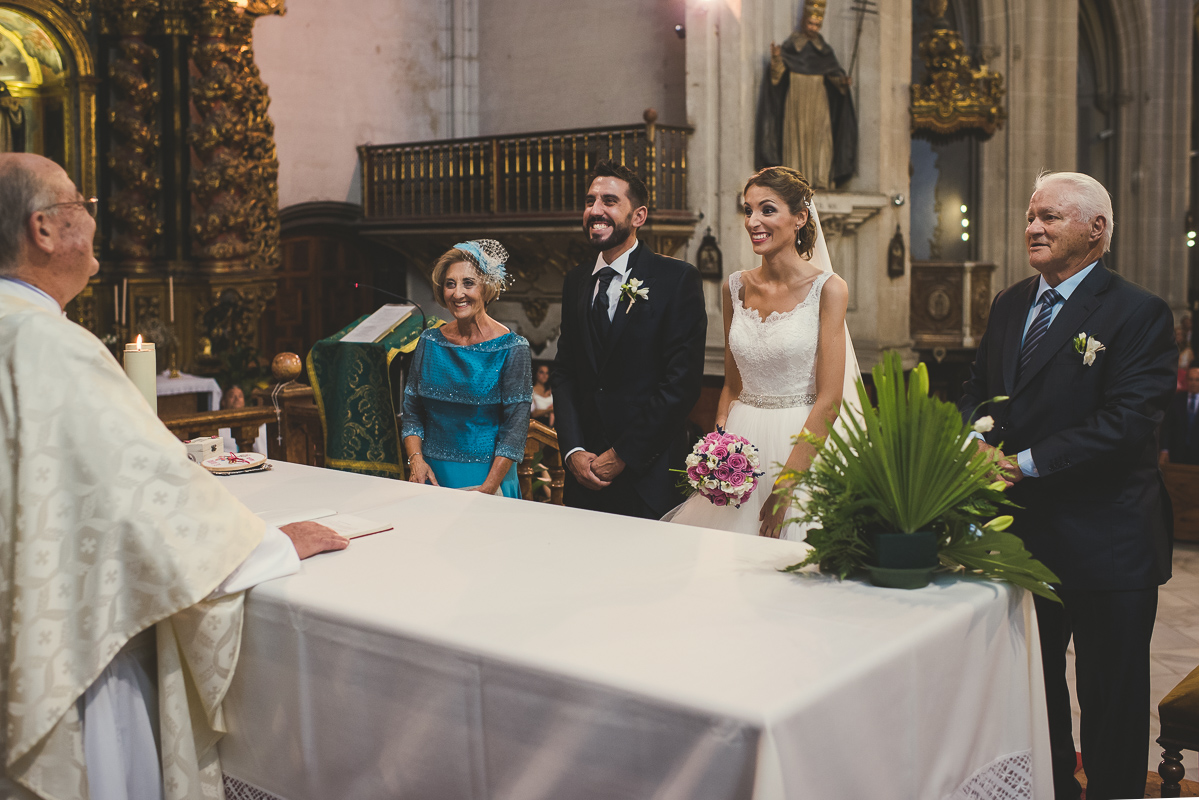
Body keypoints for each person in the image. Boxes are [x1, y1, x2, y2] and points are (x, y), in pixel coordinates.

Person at [0, 153, 349, 800]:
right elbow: (141, 503)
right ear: (43, 229)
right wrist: (266, 545)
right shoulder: (50, 344)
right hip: (81, 647)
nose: (93, 222)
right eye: (82, 204)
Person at [959, 171, 1176, 800]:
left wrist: (1022, 462)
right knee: (1035, 697)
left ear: (1096, 230)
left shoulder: (1138, 313)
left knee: (1111, 706)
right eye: (1031, 216)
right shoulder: (1008, 303)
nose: (1033, 227)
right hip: (1023, 541)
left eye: (1050, 217)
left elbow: (1126, 421)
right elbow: (980, 388)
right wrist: (972, 438)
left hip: (1108, 540)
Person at [664, 166, 856, 540]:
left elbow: (830, 399)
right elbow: (732, 387)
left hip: (801, 440)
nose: (754, 221)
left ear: (800, 217)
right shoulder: (735, 286)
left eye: (767, 210)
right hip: (742, 443)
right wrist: (717, 448)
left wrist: (788, 483)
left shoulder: (829, 290)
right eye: (748, 210)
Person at [551, 160, 707, 520]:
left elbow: (680, 385)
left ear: (638, 216)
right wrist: (574, 449)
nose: (595, 210)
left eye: (609, 201)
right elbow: (565, 372)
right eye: (590, 201)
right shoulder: (576, 281)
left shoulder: (676, 279)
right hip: (584, 476)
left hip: (647, 476)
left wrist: (622, 455)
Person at [402, 240, 531, 498]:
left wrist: (489, 488)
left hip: (488, 479)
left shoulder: (512, 348)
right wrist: (416, 460)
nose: (457, 293)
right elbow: (412, 410)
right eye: (450, 284)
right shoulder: (429, 341)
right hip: (432, 475)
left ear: (487, 287)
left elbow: (514, 430)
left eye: (468, 283)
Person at [756, 0, 857, 189]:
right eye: (810, 23)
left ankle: (821, 180)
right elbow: (776, 79)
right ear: (803, 22)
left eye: (817, 25)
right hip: (796, 98)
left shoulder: (825, 51)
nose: (813, 28)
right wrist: (777, 59)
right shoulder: (791, 46)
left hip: (819, 100)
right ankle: (794, 183)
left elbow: (833, 77)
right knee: (795, 139)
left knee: (822, 140)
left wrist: (842, 82)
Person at [1163, 366, 1199, 465]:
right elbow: (1167, 426)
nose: (1193, 383)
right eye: (1191, 379)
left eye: (1197, 380)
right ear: (1186, 380)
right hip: (1177, 452)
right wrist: (1165, 450)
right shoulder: (1176, 399)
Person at [531, 363, 554, 427]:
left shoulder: (551, 391)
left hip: (554, 426)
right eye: (541, 372)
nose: (544, 375)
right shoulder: (531, 391)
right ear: (536, 374)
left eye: (547, 373)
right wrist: (550, 410)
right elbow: (533, 413)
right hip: (538, 425)